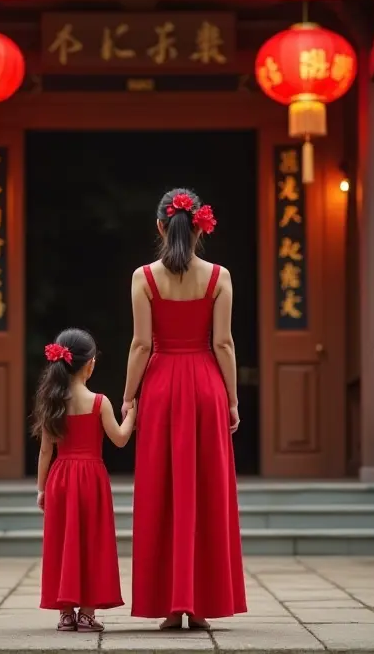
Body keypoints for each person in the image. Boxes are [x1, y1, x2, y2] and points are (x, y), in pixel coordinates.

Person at [122, 188, 247, 629]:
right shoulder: (219, 277)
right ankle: (200, 603)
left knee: (161, 491)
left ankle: (170, 605)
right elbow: (223, 343)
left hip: (159, 387)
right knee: (206, 491)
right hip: (205, 386)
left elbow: (140, 344)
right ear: (200, 227)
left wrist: (128, 396)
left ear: (160, 226)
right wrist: (231, 399)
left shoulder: (143, 277)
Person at [33, 328, 137, 632]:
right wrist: (132, 413)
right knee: (92, 541)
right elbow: (119, 439)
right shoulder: (100, 402)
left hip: (61, 478)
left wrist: (41, 490)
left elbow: (44, 452)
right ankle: (88, 614)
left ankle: (65, 612)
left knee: (64, 540)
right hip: (91, 478)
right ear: (90, 364)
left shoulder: (53, 403)